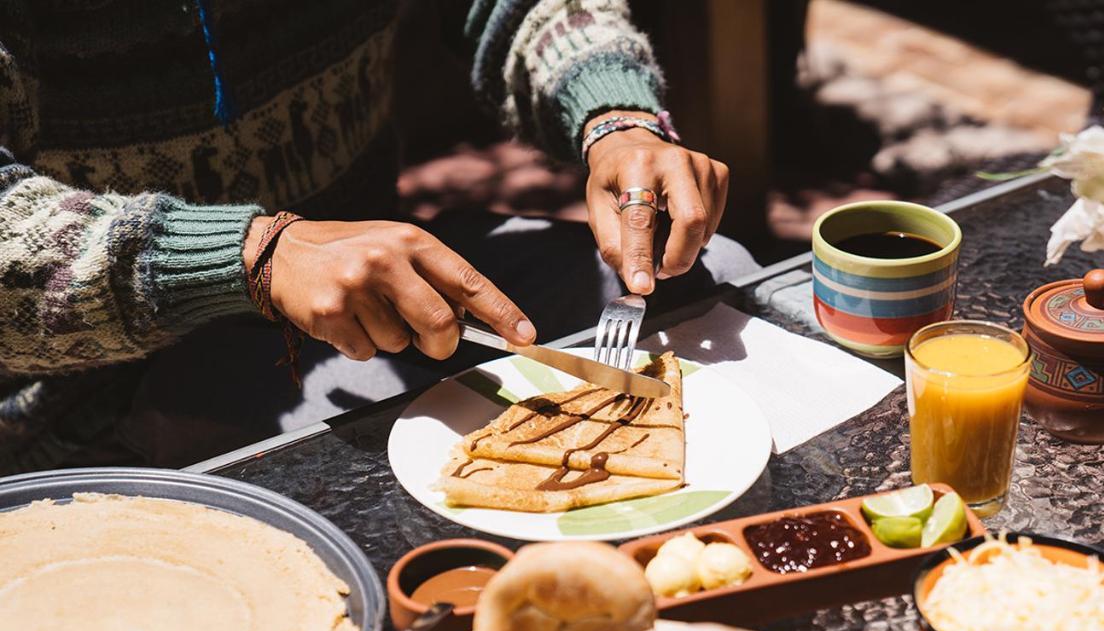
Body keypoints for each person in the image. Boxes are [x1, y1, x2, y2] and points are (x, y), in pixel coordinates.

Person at [0, 0, 750, 472]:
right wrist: (252, 255)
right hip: (107, 384)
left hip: (385, 292)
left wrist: (612, 117)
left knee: (713, 288)